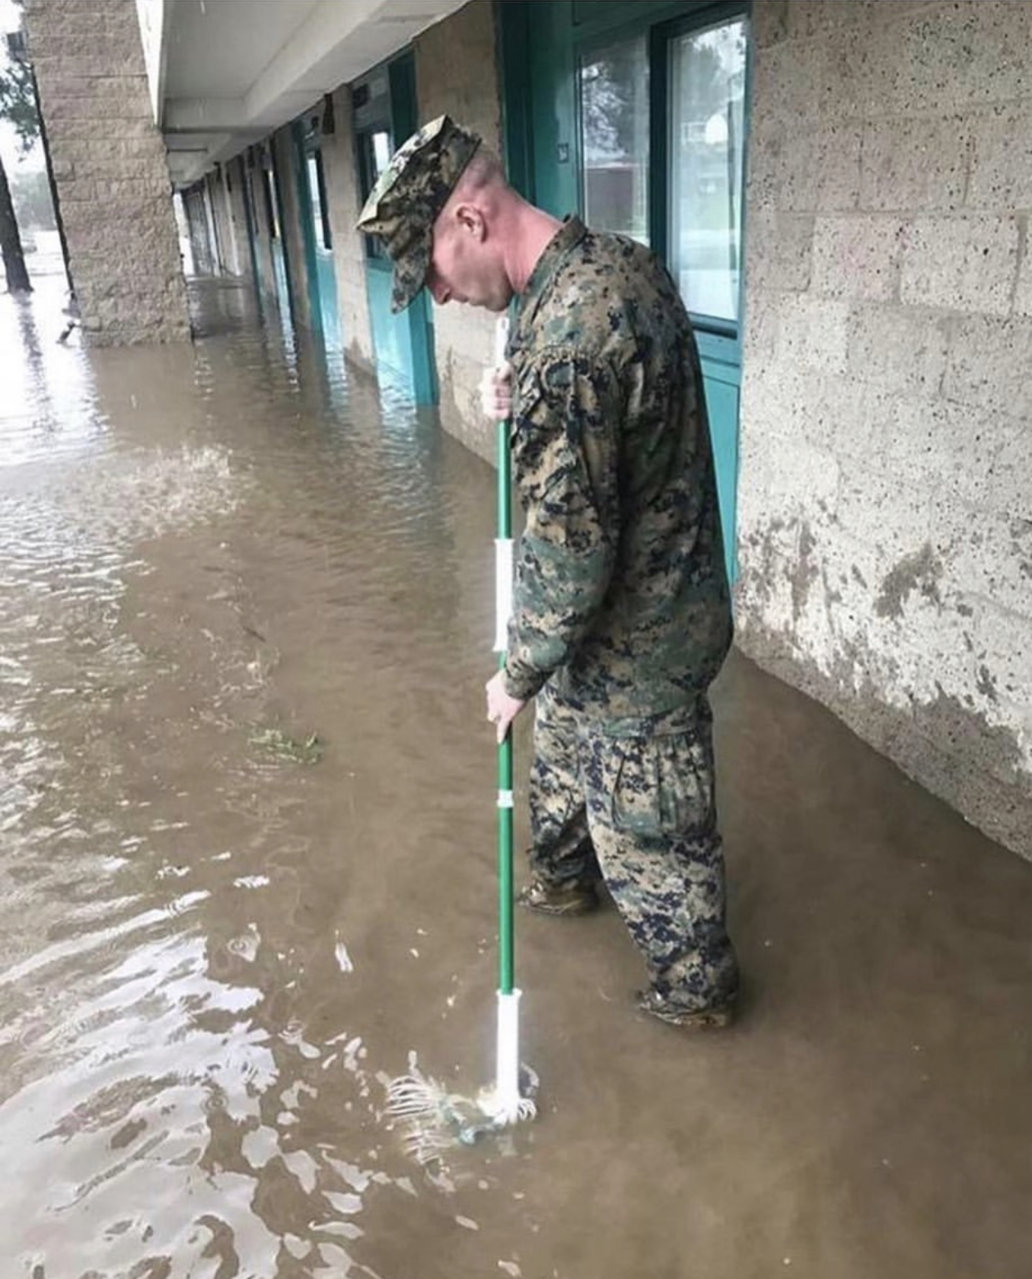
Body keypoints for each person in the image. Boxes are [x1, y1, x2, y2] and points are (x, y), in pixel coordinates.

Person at [357, 115, 739, 1029]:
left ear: (471, 223)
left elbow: (571, 558)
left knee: (674, 912)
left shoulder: (566, 340)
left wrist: (514, 671)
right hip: (619, 628)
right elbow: (598, 403)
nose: (440, 298)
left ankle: (693, 1017)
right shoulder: (611, 265)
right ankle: (565, 889)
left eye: (435, 274)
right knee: (561, 811)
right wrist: (518, 391)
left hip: (637, 654)